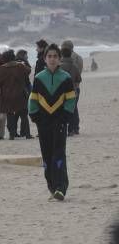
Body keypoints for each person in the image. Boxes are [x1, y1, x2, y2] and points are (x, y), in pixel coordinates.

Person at [29, 44, 76, 201]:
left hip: (59, 122)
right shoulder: (39, 78)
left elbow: (71, 100)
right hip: (44, 123)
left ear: (59, 59)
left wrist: (65, 118)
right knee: (47, 155)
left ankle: (61, 187)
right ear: (45, 59)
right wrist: (35, 117)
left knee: (58, 154)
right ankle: (51, 187)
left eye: (55, 56)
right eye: (49, 56)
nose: (52, 59)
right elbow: (33, 99)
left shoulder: (66, 78)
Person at [0, 50, 31, 140]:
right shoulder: (20, 66)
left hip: (7, 95)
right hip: (20, 93)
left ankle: (12, 134)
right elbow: (28, 71)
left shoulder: (2, 68)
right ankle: (27, 134)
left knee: (10, 115)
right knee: (23, 114)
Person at [61, 40, 83, 135]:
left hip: (63, 89)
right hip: (75, 86)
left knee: (67, 108)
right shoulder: (79, 58)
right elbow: (79, 75)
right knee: (74, 108)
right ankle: (75, 127)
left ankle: (70, 128)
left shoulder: (61, 60)